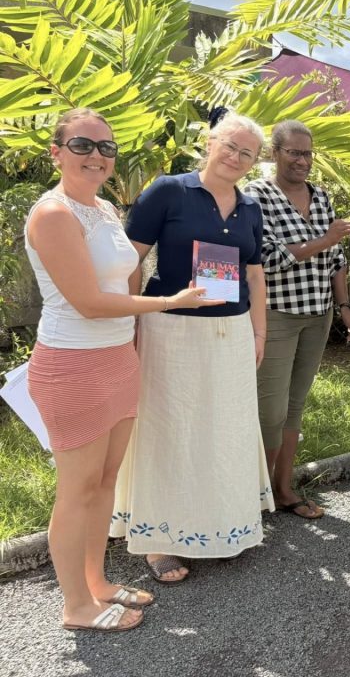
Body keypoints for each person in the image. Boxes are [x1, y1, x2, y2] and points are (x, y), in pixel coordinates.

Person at [24, 108, 216, 631]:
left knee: (106, 480)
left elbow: (123, 284)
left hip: (115, 360)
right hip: (71, 366)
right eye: (83, 145)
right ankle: (76, 607)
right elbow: (88, 302)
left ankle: (97, 582)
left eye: (106, 148)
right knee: (77, 489)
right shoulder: (53, 214)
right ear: (56, 152)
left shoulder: (105, 210)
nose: (97, 157)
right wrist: (169, 303)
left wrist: (137, 332)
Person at [110, 112, 275, 583]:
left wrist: (259, 333)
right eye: (230, 145)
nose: (237, 157)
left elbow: (254, 274)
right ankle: (160, 539)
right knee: (171, 429)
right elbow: (130, 259)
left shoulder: (250, 208)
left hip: (232, 332)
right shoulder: (168, 190)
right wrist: (133, 318)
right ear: (210, 143)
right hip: (171, 331)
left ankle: (222, 526)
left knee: (223, 430)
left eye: (247, 152)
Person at [244, 120, 350, 520]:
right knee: (268, 410)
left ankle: (283, 488)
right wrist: (326, 239)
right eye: (293, 152)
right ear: (275, 153)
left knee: (294, 406)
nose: (301, 160)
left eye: (307, 153)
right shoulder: (256, 196)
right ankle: (253, 494)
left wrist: (344, 308)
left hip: (318, 315)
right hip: (276, 315)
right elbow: (267, 259)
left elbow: (336, 260)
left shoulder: (320, 196)